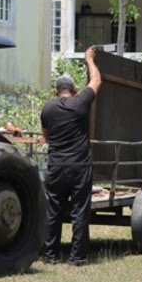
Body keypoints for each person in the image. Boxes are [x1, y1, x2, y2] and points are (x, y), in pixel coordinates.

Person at [40, 46, 102, 266]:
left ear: (56, 91)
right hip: (79, 167)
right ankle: (77, 258)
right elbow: (96, 81)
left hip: (56, 166)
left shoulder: (47, 109)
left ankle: (50, 256)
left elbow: (45, 136)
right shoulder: (80, 104)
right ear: (74, 89)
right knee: (79, 212)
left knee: (53, 212)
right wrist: (89, 60)